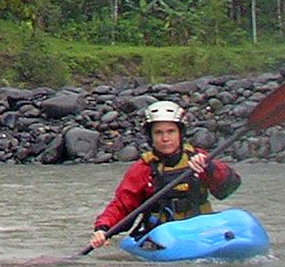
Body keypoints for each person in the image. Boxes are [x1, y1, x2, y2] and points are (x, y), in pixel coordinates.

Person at [88, 100, 241, 249]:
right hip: (163, 235)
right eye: (158, 133)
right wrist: (103, 228)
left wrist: (210, 168)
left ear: (180, 133)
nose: (165, 138)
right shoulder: (143, 169)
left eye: (170, 131)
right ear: (151, 136)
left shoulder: (199, 159)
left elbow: (229, 186)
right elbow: (122, 205)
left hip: (199, 229)